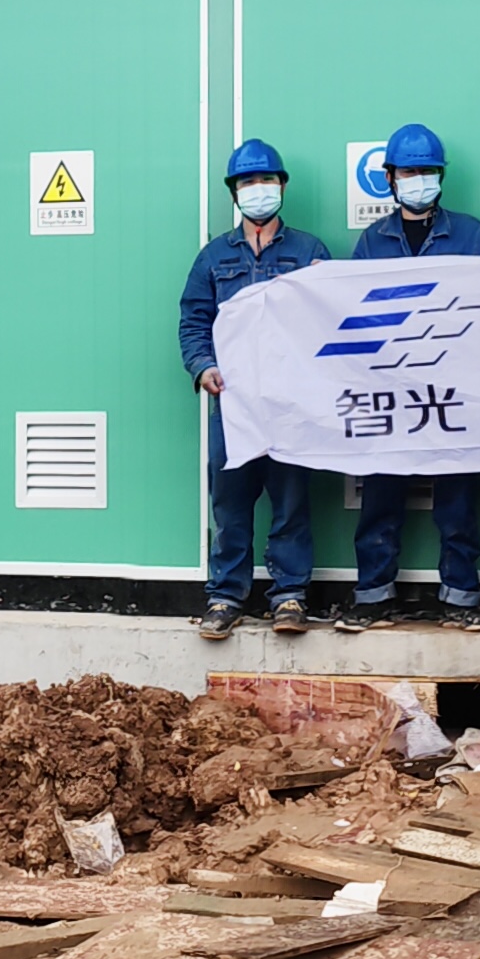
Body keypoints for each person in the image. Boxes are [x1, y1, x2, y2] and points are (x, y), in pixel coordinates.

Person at [345, 122, 480, 628]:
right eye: (409, 172)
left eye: (428, 171)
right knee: (380, 496)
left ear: (441, 176)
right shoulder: (373, 241)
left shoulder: (472, 235)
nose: (419, 180)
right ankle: (373, 596)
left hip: (453, 391)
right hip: (390, 391)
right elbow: (352, 313)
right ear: (390, 178)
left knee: (457, 500)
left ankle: (461, 597)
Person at [179, 139, 329, 635]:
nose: (258, 189)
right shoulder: (213, 257)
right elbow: (194, 320)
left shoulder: (310, 252)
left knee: (290, 500)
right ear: (234, 193)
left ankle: (289, 596)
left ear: (282, 187)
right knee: (230, 502)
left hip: (290, 406)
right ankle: (226, 596)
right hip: (234, 404)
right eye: (247, 182)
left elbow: (329, 321)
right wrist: (203, 367)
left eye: (266, 180)